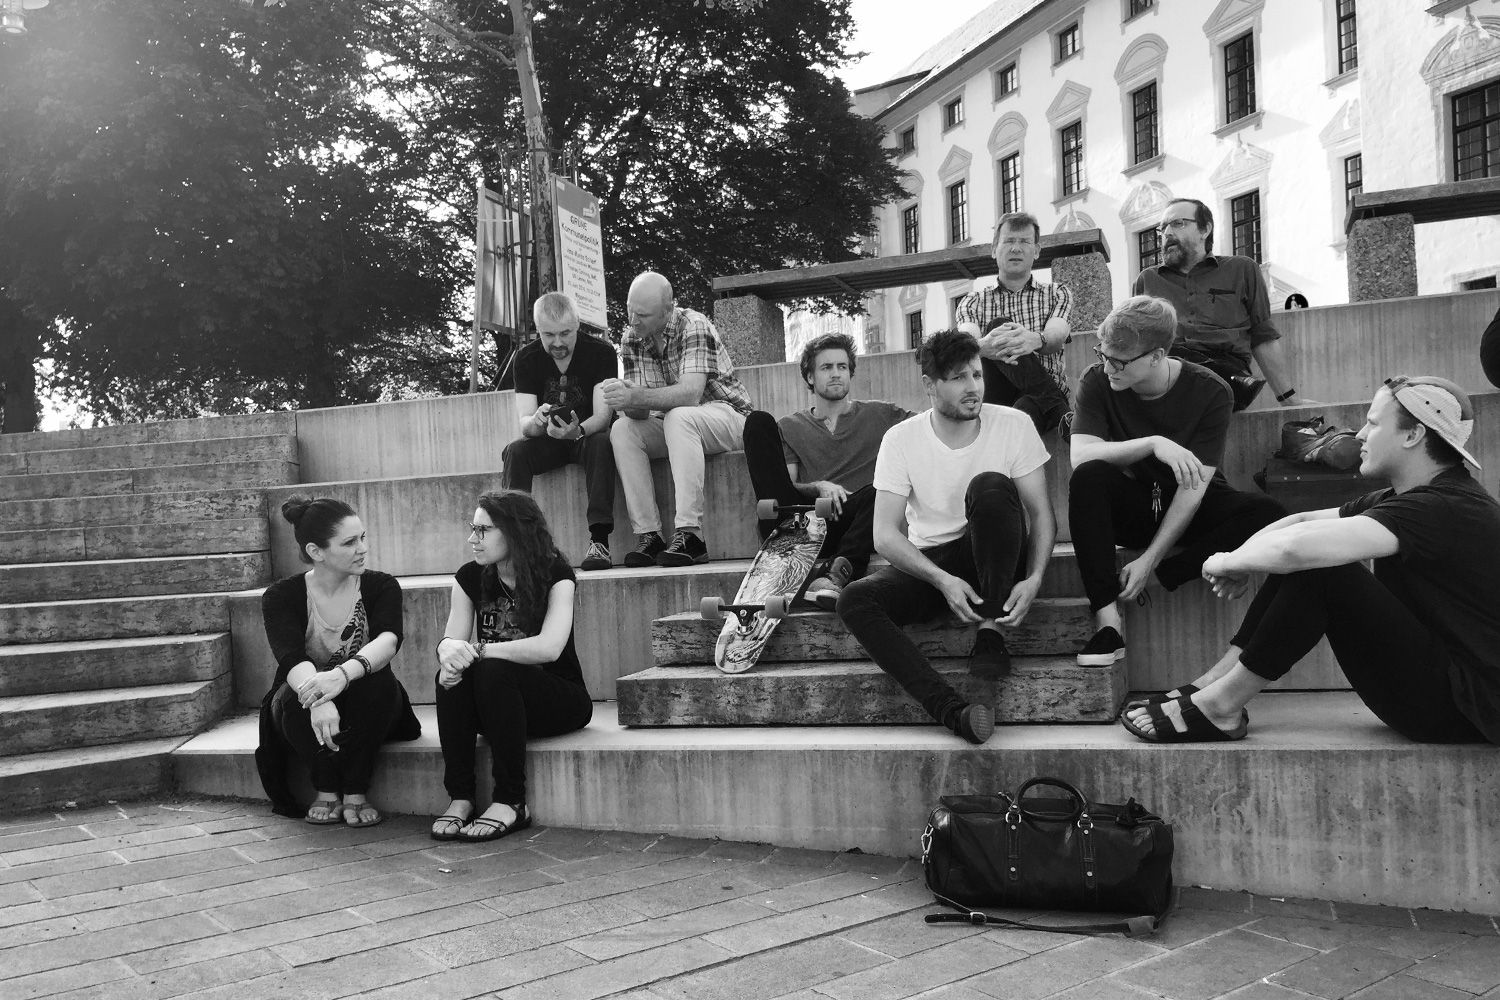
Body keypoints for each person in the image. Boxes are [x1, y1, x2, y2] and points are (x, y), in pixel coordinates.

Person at [1122, 376, 1500, 745]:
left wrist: (1224, 562)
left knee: (1323, 566)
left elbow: (1296, 548)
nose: (1360, 435)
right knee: (1316, 553)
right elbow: (1300, 522)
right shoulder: (1413, 497)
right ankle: (1213, 684)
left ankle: (1222, 705)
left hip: (1463, 710)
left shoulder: (1443, 507)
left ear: (1413, 435)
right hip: (1441, 690)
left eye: (1373, 423)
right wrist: (1240, 558)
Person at [837, 330, 1056, 744]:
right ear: (930, 385)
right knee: (854, 599)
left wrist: (1035, 578)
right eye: (958, 378)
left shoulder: (1013, 424)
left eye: (977, 374)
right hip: (936, 568)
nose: (973, 387)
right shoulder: (901, 439)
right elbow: (884, 536)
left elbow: (1042, 514)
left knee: (990, 486)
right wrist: (942, 580)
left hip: (997, 555)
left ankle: (990, 632)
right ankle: (952, 711)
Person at [1069, 296, 1285, 668]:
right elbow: (1081, 455)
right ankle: (1107, 623)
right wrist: (1152, 444)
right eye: (1102, 354)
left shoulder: (1211, 390)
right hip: (1138, 503)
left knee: (1269, 513)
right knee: (1089, 476)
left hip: (1193, 501)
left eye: (1119, 361)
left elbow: (1193, 489)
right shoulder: (1097, 379)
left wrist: (1150, 563)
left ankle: (1161, 580)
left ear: (1156, 356)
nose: (1107, 367)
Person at [430, 490, 593, 842]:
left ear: (515, 532)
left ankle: (511, 800)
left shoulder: (556, 574)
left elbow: (550, 648)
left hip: (557, 701)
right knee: (450, 676)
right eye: (473, 528)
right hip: (497, 705)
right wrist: (446, 652)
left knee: (491, 667)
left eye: (483, 530)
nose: (472, 539)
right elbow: (452, 640)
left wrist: (479, 651)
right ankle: (461, 796)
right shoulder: (469, 577)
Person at [259, 497, 418, 827]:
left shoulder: (380, 586)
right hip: (306, 707)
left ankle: (356, 790)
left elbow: (388, 641)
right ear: (316, 551)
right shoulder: (281, 596)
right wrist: (318, 697)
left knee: (378, 682)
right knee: (292, 697)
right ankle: (327, 788)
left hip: (368, 702)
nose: (363, 548)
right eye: (349, 542)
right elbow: (290, 658)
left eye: (363, 537)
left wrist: (341, 676)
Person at [742, 332, 913, 607]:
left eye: (842, 367)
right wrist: (818, 486)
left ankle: (836, 574)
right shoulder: (790, 426)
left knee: (881, 492)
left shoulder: (882, 415)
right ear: (810, 377)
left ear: (850, 373)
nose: (836, 374)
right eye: (826, 367)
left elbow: (931, 425)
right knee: (758, 421)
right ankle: (782, 543)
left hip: (856, 519)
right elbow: (788, 485)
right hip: (804, 521)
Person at [603, 271, 754, 567]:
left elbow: (690, 394)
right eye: (630, 310)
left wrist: (637, 396)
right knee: (622, 430)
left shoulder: (694, 324)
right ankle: (649, 535)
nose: (633, 321)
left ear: (667, 309)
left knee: (679, 416)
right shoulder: (632, 338)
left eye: (642, 315)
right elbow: (641, 409)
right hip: (677, 426)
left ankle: (691, 534)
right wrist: (624, 398)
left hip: (729, 416)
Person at [1133, 198, 1310, 411]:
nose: (1167, 233)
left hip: (1223, 371)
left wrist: (1288, 398)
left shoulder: (1242, 269)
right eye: (1163, 228)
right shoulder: (1148, 279)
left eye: (1178, 224)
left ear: (1205, 229)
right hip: (1167, 369)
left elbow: (1262, 335)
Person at [501, 292, 620, 571]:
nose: (557, 342)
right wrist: (537, 422)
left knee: (602, 443)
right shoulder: (526, 358)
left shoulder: (601, 352)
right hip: (548, 439)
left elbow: (603, 417)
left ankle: (599, 541)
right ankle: (517, 542)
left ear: (577, 324)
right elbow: (525, 423)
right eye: (548, 335)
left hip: (586, 436)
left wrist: (577, 432)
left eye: (565, 333)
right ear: (537, 330)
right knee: (515, 451)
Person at [954, 212, 1074, 434]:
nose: (1016, 249)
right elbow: (967, 341)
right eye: (1009, 241)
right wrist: (983, 346)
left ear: (1036, 251)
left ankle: (1049, 403)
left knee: (1023, 409)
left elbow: (1057, 335)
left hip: (1034, 404)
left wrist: (1035, 340)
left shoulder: (1057, 293)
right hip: (995, 396)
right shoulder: (973, 301)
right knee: (998, 326)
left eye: (1025, 242)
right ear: (994, 249)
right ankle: (1056, 406)